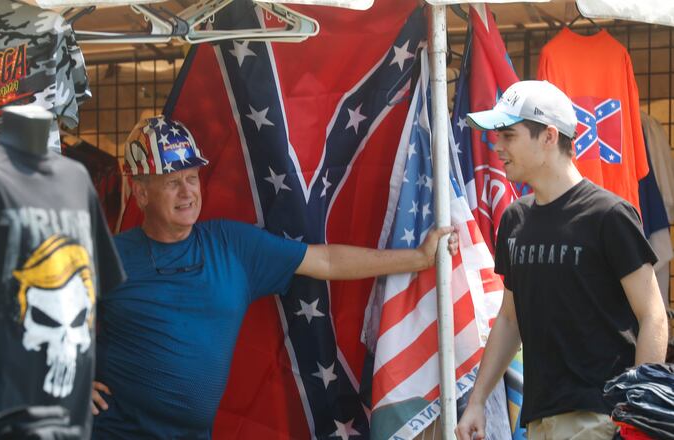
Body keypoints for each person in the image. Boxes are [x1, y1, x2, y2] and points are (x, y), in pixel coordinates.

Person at [91, 116, 459, 439]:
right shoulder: (104, 255)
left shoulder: (231, 246)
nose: (188, 192)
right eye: (172, 182)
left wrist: (419, 257)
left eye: (192, 178)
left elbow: (326, 261)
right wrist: (70, 381)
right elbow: (40, 315)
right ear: (140, 193)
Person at [455, 81, 669, 440]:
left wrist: (635, 416)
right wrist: (476, 401)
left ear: (549, 137)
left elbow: (653, 314)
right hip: (539, 420)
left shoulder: (609, 215)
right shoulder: (514, 219)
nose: (498, 146)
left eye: (508, 135)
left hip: (601, 418)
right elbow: (509, 319)